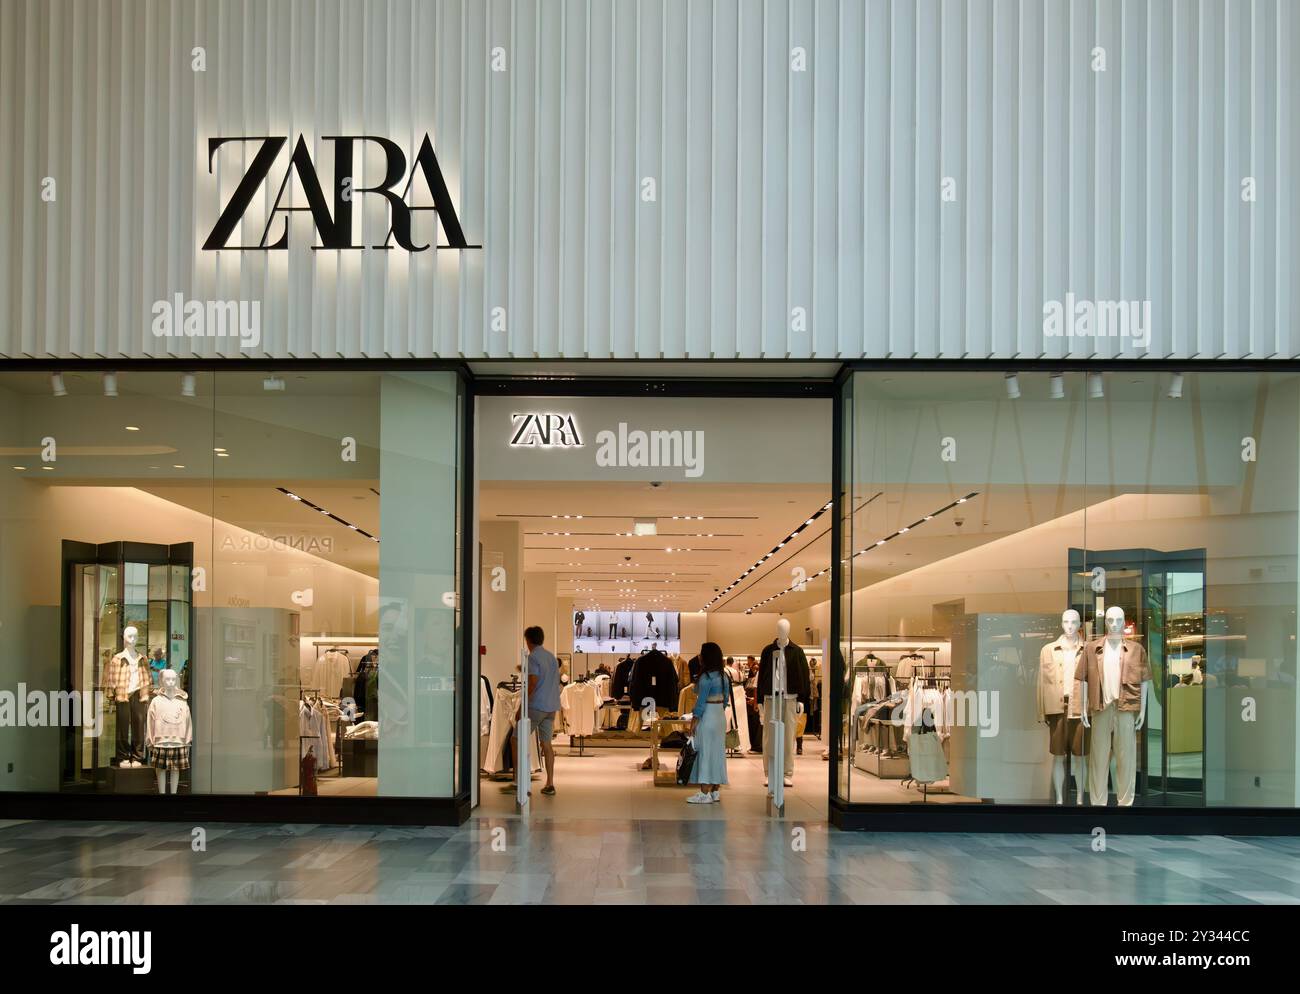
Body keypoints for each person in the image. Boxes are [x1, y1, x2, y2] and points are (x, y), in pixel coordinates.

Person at [517, 626, 561, 796]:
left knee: (516, 739)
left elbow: (533, 683)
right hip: (551, 708)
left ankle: (520, 782)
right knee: (547, 744)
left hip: (537, 706)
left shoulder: (532, 657)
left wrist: (522, 707)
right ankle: (550, 783)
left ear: (528, 640)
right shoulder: (551, 657)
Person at [686, 642, 730, 804]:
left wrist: (692, 723)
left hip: (708, 716)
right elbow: (726, 700)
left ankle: (704, 792)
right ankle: (715, 791)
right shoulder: (724, 676)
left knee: (705, 753)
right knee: (718, 753)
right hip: (719, 716)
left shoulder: (706, 677)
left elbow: (700, 704)